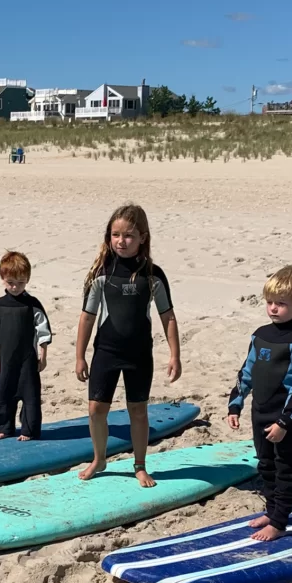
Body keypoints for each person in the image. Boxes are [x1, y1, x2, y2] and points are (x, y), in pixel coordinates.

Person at [75, 204, 181, 487]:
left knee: (138, 410)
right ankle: (99, 459)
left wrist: (175, 355)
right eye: (116, 235)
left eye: (129, 236)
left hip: (139, 354)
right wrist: (80, 356)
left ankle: (140, 465)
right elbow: (87, 317)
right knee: (96, 408)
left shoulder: (152, 275)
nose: (121, 241)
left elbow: (167, 316)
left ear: (143, 237)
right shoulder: (101, 272)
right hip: (106, 352)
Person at [227, 266, 292, 541]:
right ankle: (271, 509)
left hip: (284, 420)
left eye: (281, 303)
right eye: (270, 303)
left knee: (285, 468)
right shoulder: (260, 334)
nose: (274, 309)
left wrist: (284, 422)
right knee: (265, 465)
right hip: (259, 413)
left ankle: (278, 522)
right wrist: (235, 404)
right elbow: (247, 371)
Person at [0, 250, 52, 440]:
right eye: (10, 283)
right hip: (4, 360)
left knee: (30, 396)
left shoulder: (33, 305)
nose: (15, 287)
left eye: (20, 283)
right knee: (2, 395)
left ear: (27, 280)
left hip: (27, 360)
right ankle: (3, 428)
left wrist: (43, 356)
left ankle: (28, 431)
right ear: (2, 279)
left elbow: (43, 330)